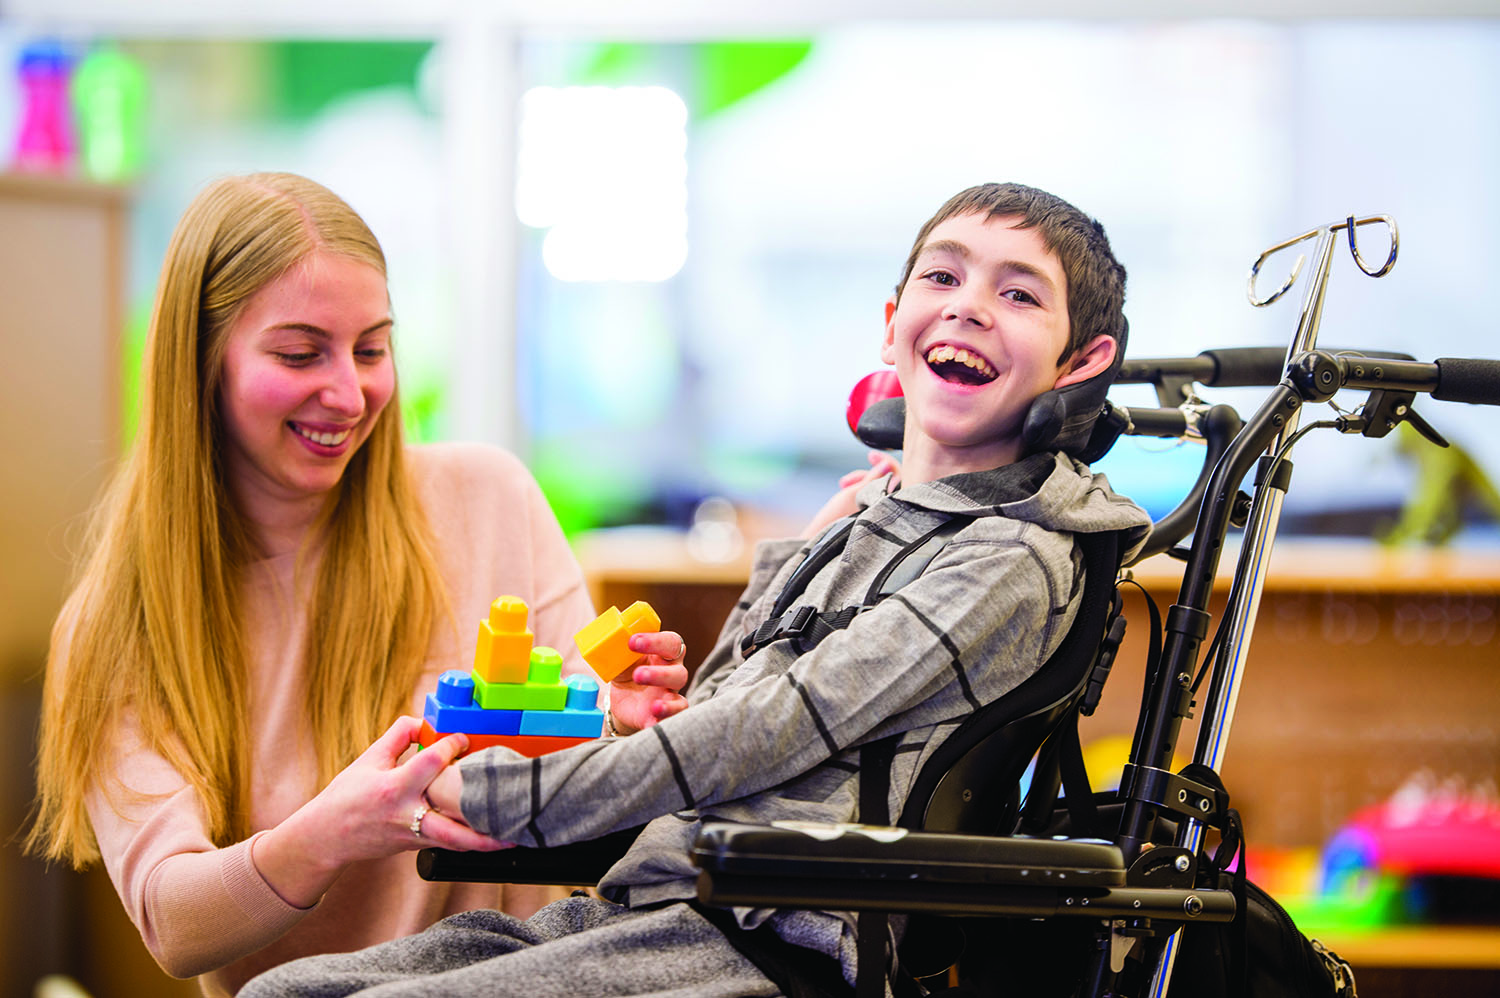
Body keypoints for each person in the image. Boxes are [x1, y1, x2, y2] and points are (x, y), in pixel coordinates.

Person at [239, 181, 1154, 998]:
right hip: (657, 908)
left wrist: (502, 796)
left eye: (1019, 293)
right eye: (943, 278)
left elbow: (763, 733)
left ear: (1080, 362)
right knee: (284, 992)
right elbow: (709, 705)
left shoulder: (1010, 560)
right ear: (891, 320)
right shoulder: (872, 520)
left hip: (764, 941)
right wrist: (814, 545)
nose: (970, 310)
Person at [23, 172, 654, 998]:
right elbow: (174, 924)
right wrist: (332, 831)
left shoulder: (488, 498)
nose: (350, 395)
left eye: (370, 348)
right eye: (299, 353)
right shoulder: (119, 626)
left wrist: (623, 720)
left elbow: (594, 770)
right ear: (201, 363)